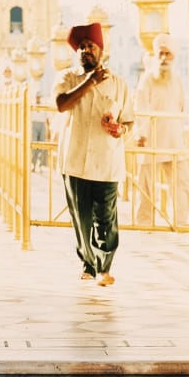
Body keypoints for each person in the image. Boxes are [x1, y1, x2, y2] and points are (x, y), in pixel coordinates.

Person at [54, 22, 132, 286]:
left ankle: (104, 267)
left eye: (91, 46)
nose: (86, 50)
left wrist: (119, 128)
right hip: (74, 160)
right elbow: (61, 104)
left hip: (107, 161)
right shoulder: (67, 78)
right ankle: (88, 262)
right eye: (82, 46)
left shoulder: (119, 84)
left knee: (106, 219)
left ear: (101, 50)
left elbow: (129, 122)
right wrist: (88, 83)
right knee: (81, 219)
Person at [132, 35, 189, 228]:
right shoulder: (148, 79)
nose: (164, 58)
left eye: (168, 54)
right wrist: (141, 133)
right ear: (156, 55)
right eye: (161, 53)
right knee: (146, 184)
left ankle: (180, 221)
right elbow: (141, 106)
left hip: (174, 137)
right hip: (151, 138)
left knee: (181, 182)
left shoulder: (177, 79)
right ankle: (144, 222)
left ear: (173, 57)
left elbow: (183, 105)